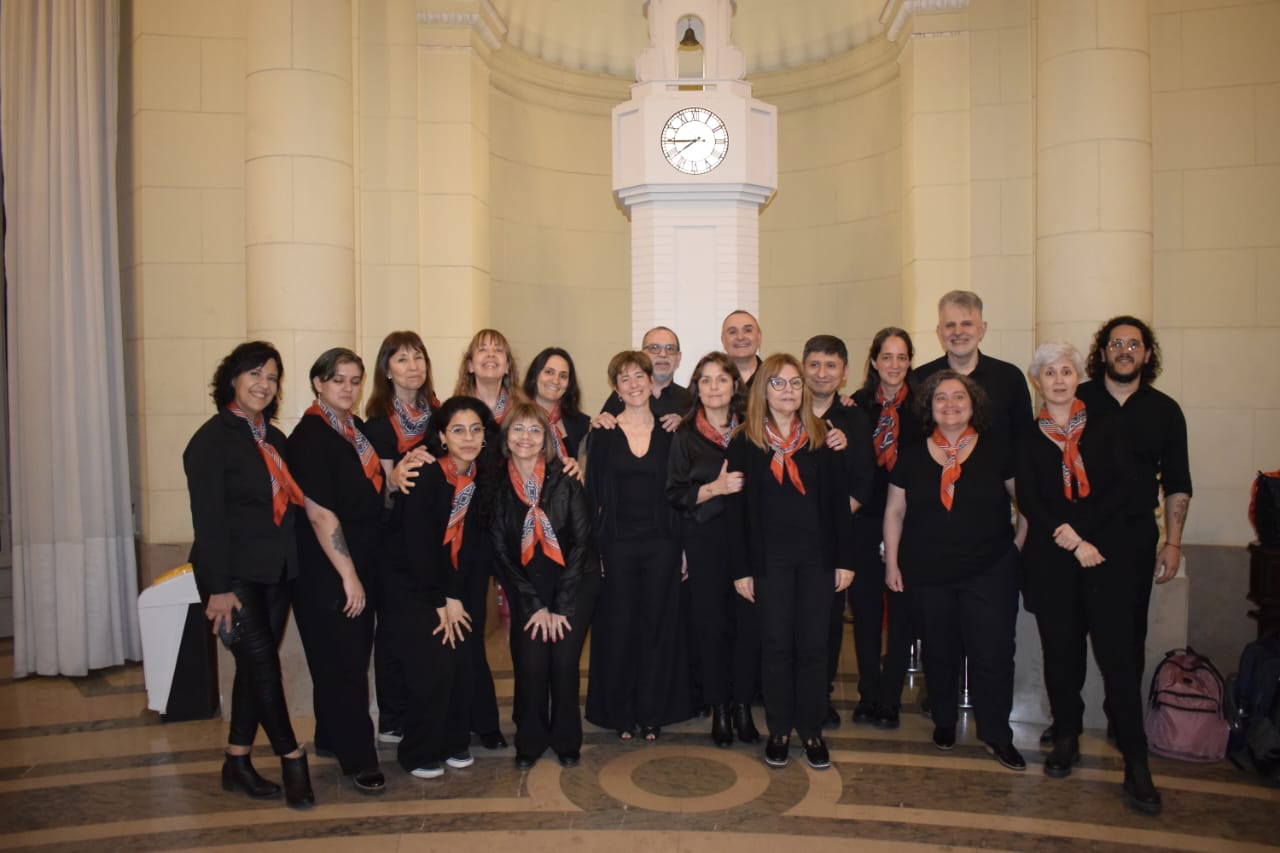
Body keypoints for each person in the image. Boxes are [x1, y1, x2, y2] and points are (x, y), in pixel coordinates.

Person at [1016, 341, 1161, 814]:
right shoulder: (1028, 435)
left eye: (1066, 371)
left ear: (1078, 376)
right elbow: (1030, 499)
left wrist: (1083, 536)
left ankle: (1136, 763)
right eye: (1049, 373)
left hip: (1105, 555)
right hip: (1053, 559)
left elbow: (1125, 486)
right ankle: (1068, 736)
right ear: (1038, 381)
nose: (1058, 379)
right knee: (1062, 656)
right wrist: (1070, 539)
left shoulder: (1106, 424)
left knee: (1118, 659)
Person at [183, 341, 314, 808]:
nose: (263, 384)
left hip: (275, 573)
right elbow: (208, 522)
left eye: (272, 377)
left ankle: (236, 761)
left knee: (254, 669)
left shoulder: (273, 439)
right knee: (264, 667)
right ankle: (291, 755)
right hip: (231, 577)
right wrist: (218, 589)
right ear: (233, 379)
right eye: (254, 373)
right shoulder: (210, 440)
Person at [883, 370, 1028, 771]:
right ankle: (944, 722)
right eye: (941, 398)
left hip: (989, 572)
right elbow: (894, 511)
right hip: (928, 572)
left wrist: (1015, 548)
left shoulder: (998, 451)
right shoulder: (912, 455)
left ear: (973, 404)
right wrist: (892, 562)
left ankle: (996, 734)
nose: (950, 405)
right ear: (929, 408)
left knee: (993, 653)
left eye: (958, 397)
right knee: (939, 650)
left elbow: (1027, 503)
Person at [726, 354, 855, 770]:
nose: (788, 391)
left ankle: (812, 730)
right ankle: (780, 729)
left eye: (795, 383)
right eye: (778, 383)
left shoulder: (823, 437)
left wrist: (845, 560)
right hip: (769, 563)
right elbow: (736, 512)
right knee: (777, 647)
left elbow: (838, 504)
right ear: (763, 390)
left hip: (817, 561)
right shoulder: (745, 442)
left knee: (814, 648)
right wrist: (741, 569)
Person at [1076, 318, 1191, 744]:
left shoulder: (1165, 410)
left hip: (1134, 538)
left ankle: (1122, 722)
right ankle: (1067, 723)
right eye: (1116, 343)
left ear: (1146, 354)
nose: (1124, 350)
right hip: (1078, 537)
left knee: (1128, 636)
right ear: (1103, 352)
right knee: (1070, 632)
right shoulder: (1078, 400)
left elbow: (1177, 482)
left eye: (1133, 344)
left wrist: (1173, 543)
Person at [286, 348, 385, 795]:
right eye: (338, 379)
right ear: (318, 383)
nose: (348, 388)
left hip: (357, 560)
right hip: (328, 570)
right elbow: (319, 514)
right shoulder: (310, 436)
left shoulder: (352, 429)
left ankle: (331, 736)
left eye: (355, 380)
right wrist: (349, 575)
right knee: (345, 665)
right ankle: (360, 759)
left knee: (343, 657)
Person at [586, 351, 690, 741]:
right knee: (619, 628)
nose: (633, 384)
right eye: (624, 378)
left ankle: (651, 712)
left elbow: (681, 493)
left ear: (651, 382)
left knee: (657, 626)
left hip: (663, 543)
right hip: (616, 545)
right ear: (615, 388)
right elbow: (591, 494)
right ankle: (621, 713)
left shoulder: (671, 431)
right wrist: (594, 550)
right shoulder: (603, 432)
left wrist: (683, 549)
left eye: (639, 376)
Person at [490, 400, 599, 768]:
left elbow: (582, 544)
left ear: (546, 438)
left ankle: (566, 739)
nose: (526, 437)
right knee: (532, 665)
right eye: (518, 428)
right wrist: (535, 606)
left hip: (575, 583)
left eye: (535, 429)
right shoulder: (497, 486)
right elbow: (501, 553)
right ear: (507, 436)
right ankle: (531, 740)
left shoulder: (566, 479)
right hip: (527, 586)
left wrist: (561, 607)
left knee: (564, 663)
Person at [392, 396, 494, 779]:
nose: (468, 438)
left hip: (460, 588)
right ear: (441, 436)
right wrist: (442, 599)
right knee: (435, 668)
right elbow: (417, 546)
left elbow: (477, 547)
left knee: (464, 664)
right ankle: (418, 750)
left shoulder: (483, 479)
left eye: (475, 430)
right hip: (418, 588)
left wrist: (460, 597)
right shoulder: (426, 475)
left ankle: (454, 740)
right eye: (458, 430)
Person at [666, 352, 761, 747]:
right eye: (705, 380)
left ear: (735, 385)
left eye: (721, 379)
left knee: (747, 628)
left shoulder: (754, 430)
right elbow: (675, 494)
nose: (714, 387)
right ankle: (719, 708)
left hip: (750, 543)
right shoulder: (685, 435)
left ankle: (743, 707)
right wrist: (715, 488)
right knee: (711, 627)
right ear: (697, 388)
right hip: (704, 542)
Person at [362, 330, 440, 746]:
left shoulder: (439, 415)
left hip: (434, 538)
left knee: (429, 626)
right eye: (402, 359)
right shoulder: (377, 422)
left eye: (418, 357)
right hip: (392, 541)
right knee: (393, 629)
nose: (413, 366)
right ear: (387, 370)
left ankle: (429, 708)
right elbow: (380, 488)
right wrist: (392, 480)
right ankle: (393, 717)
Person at [445, 328, 517, 749]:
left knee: (527, 624)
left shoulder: (522, 410)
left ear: (508, 364)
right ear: (470, 363)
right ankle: (479, 718)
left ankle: (529, 713)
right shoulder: (454, 410)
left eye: (498, 350)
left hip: (515, 528)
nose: (490, 356)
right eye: (482, 350)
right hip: (468, 529)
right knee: (468, 626)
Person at [849, 328, 921, 730]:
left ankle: (891, 697)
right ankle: (868, 693)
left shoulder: (925, 407)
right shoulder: (856, 406)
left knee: (902, 612)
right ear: (874, 361)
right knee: (865, 612)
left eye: (902, 357)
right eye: (887, 357)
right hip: (863, 520)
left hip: (910, 524)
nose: (894, 365)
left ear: (909, 362)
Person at [802, 335, 874, 730]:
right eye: (814, 364)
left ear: (844, 373)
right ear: (802, 368)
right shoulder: (786, 410)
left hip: (834, 539)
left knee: (829, 622)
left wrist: (828, 523)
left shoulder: (855, 419)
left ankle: (820, 694)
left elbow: (863, 483)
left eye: (831, 366)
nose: (822, 373)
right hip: (789, 538)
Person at [914, 290, 1031, 447]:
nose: (958, 332)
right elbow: (914, 440)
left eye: (967, 324)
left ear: (982, 330)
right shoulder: (920, 379)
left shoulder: (1010, 378)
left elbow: (1024, 440)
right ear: (939, 332)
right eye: (950, 325)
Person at [523, 347, 590, 463]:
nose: (556, 381)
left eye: (563, 376)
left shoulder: (581, 424)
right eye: (549, 372)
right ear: (534, 376)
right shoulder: (515, 418)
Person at [721, 310, 763, 387]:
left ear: (759, 338)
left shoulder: (774, 378)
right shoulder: (711, 382)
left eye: (748, 330)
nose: (740, 337)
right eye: (732, 332)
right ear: (723, 340)